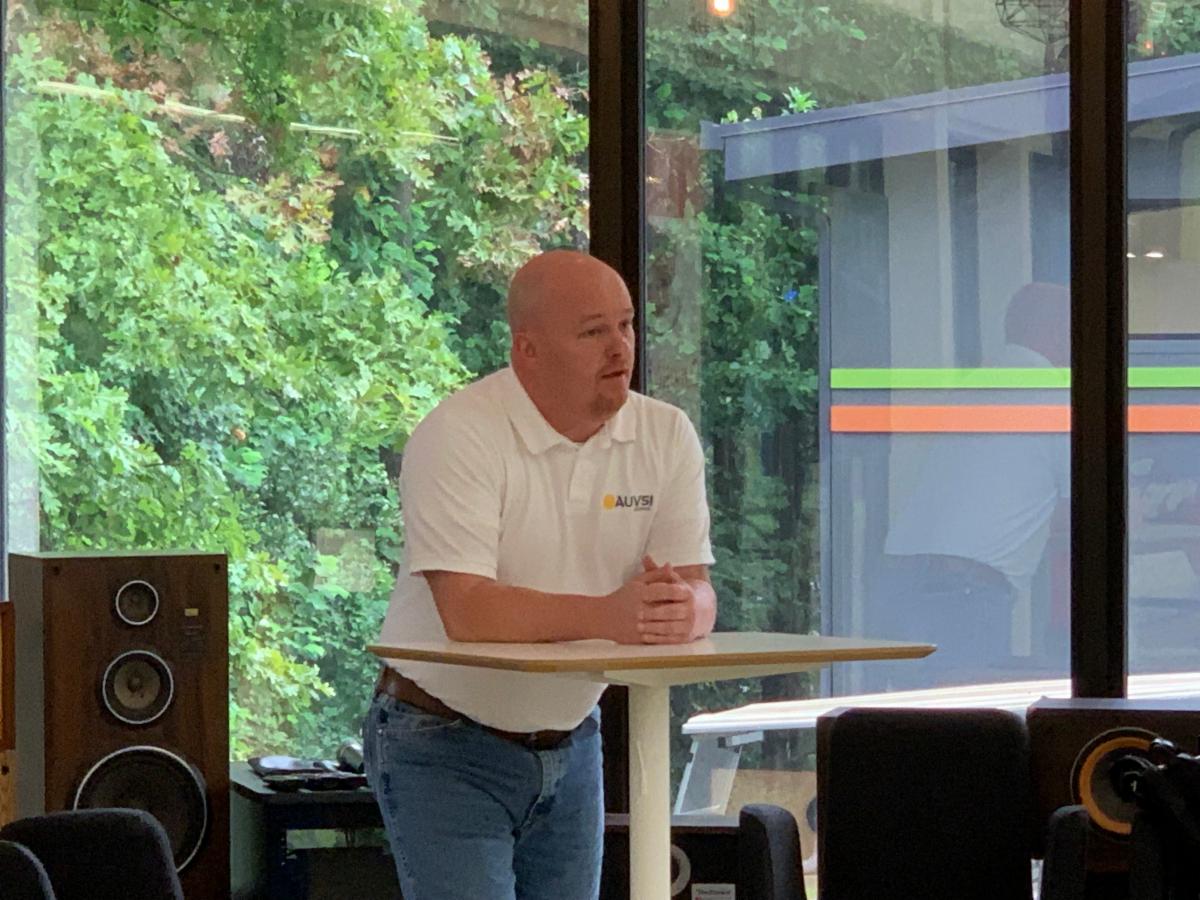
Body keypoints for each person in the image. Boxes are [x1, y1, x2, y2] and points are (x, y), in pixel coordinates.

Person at [363, 249, 718, 900]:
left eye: (626, 324)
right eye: (593, 332)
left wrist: (687, 610)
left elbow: (695, 585)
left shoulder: (666, 435)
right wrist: (611, 616)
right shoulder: (459, 434)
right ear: (527, 350)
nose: (620, 347)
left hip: (574, 739)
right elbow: (468, 610)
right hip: (443, 739)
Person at [863, 282, 1071, 690]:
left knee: (904, 715)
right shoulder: (1057, 397)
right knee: (961, 715)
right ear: (1056, 329)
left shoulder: (969, 388)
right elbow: (1082, 513)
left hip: (900, 574)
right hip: (965, 589)